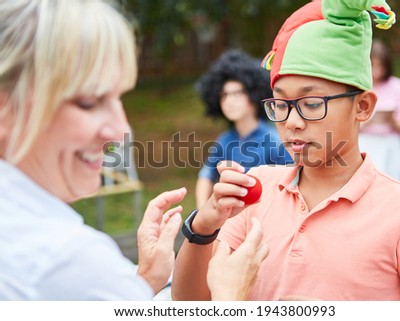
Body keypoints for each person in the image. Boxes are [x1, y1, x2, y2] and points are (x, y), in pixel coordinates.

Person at [172, 0, 400, 301]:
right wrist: (203, 226)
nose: (291, 122)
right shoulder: (257, 190)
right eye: (280, 104)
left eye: (312, 104)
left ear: (363, 106)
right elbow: (191, 304)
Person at [0, 0, 268, 300]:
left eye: (118, 99)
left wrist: (144, 282)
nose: (122, 130)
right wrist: (229, 300)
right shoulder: (68, 259)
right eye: (89, 102)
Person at [195, 49, 292, 207]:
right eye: (224, 95)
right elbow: (205, 176)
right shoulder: (225, 140)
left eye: (237, 94)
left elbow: (290, 184)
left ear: (254, 95)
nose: (229, 101)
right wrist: (202, 214)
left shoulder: (274, 141)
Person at [359, 38, 400, 181]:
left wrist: (393, 121)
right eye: (372, 66)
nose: (376, 72)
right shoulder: (359, 87)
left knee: (391, 185)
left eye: (380, 66)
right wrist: (367, 121)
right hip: (365, 143)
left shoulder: (398, 86)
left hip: (390, 143)